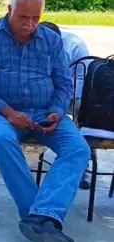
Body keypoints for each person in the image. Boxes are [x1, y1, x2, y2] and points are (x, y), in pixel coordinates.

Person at [0, 0, 90, 242]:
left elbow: (63, 82)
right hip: (0, 112)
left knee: (79, 149)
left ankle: (42, 219)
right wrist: (9, 112)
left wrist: (57, 111)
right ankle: (43, 222)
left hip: (45, 113)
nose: (31, 24)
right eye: (24, 17)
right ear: (9, 10)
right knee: (0, 140)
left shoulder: (51, 39)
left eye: (36, 18)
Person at [40, 21, 92, 190]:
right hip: (45, 93)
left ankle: (81, 168)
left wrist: (61, 99)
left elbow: (83, 78)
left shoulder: (75, 46)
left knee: (83, 116)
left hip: (73, 94)